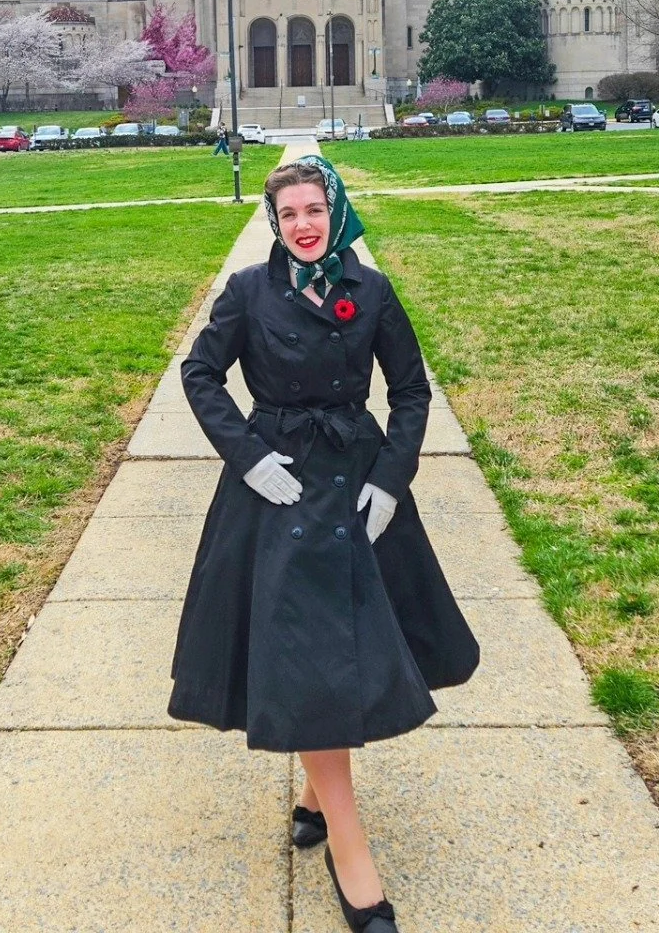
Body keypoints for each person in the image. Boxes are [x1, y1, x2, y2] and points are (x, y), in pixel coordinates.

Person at [171, 156, 479, 933]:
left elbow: (411, 390)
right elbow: (200, 373)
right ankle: (354, 859)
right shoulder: (247, 292)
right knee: (312, 663)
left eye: (314, 210)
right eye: (288, 216)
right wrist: (247, 455)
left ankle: (312, 799)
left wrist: (391, 476)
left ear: (334, 213)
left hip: (356, 483)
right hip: (277, 492)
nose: (302, 225)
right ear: (274, 225)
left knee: (350, 649)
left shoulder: (370, 290)